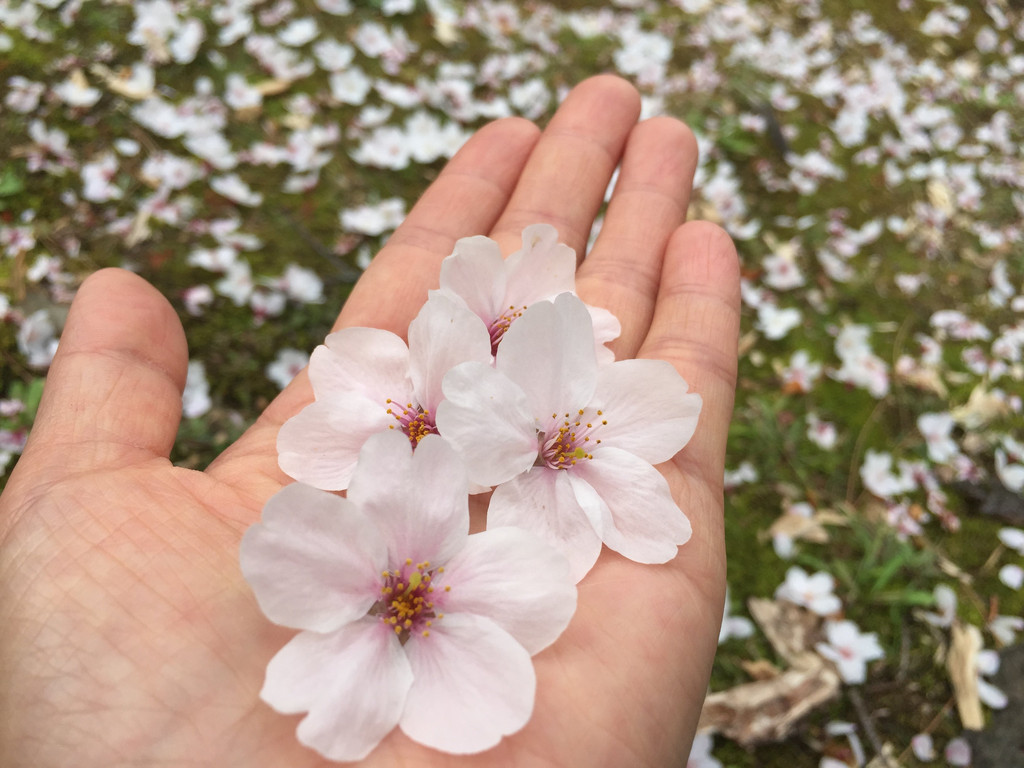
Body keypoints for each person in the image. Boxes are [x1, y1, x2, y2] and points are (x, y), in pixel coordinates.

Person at [0, 75, 740, 766]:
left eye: (405, 599)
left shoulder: (524, 433)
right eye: (404, 600)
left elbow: (529, 558)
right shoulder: (432, 437)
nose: (407, 600)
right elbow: (390, 420)